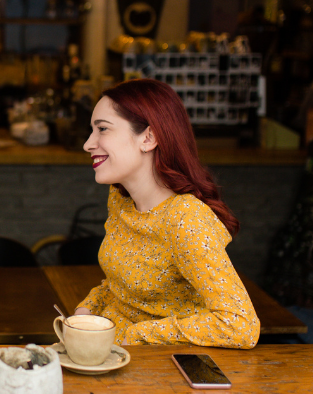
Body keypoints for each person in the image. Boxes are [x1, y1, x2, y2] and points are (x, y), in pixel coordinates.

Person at [74, 78, 259, 349]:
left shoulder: (186, 220)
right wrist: (87, 311)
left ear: (148, 138)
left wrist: (135, 335)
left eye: (102, 129)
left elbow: (240, 325)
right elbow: (119, 286)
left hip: (158, 369)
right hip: (109, 352)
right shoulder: (121, 200)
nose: (88, 144)